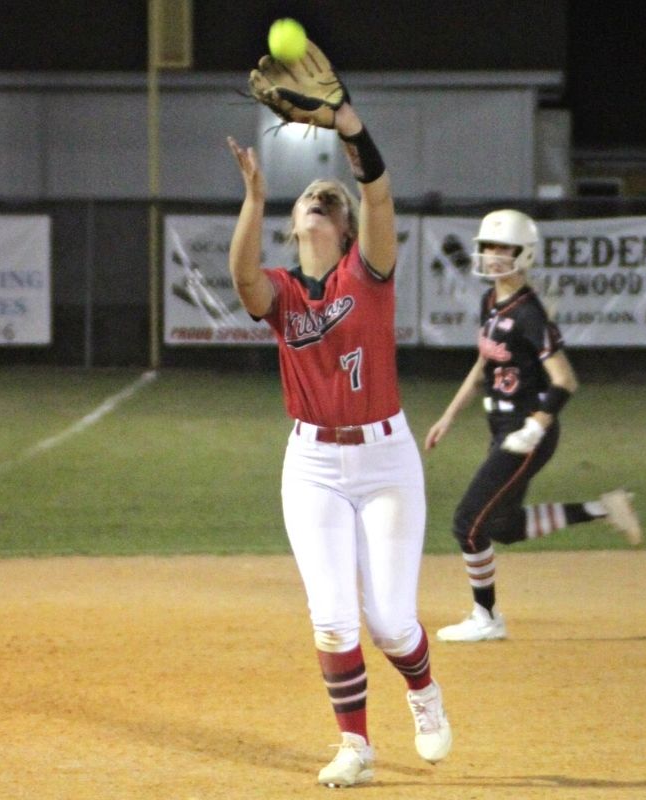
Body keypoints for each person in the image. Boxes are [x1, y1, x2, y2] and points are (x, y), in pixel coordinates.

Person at [226, 39, 450, 787]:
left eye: (331, 201)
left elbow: (379, 193)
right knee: (331, 615)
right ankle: (355, 744)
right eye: (307, 200)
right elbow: (243, 283)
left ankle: (423, 692)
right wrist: (255, 201)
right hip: (313, 463)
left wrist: (349, 125)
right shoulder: (286, 295)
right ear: (295, 225)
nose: (319, 203)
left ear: (347, 228)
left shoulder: (369, 274)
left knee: (389, 621)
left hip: (386, 461)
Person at [423, 209, 643, 643]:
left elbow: (565, 380)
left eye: (502, 247)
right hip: (504, 430)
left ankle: (486, 618)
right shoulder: (492, 301)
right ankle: (602, 509)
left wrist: (536, 427)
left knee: (467, 523)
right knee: (501, 526)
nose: (492, 255)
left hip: (526, 434)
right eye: (487, 246)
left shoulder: (529, 313)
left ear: (524, 253)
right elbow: (484, 363)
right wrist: (449, 415)